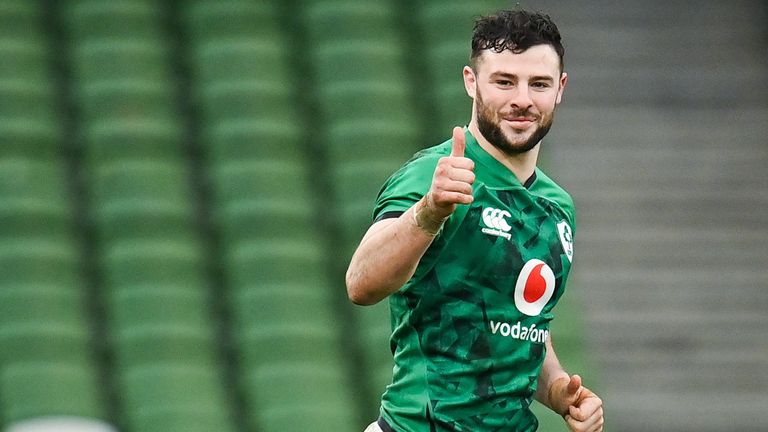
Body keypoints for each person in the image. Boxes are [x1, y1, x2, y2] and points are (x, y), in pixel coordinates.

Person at [345, 8, 604, 432]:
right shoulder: (436, 174)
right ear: (472, 82)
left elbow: (523, 327)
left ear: (560, 89)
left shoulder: (558, 206)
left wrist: (560, 391)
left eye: (538, 84)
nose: (522, 99)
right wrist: (429, 212)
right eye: (504, 81)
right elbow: (360, 282)